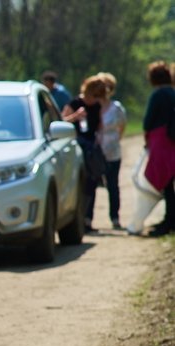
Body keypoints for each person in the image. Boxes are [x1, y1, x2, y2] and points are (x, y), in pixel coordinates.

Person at [62, 75, 108, 232]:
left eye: (98, 97)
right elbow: (61, 122)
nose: (95, 99)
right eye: (94, 96)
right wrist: (76, 117)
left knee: (92, 183)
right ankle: (76, 219)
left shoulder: (97, 106)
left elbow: (100, 126)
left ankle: (88, 219)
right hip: (76, 148)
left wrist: (99, 141)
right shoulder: (75, 103)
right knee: (78, 183)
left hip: (91, 149)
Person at [141, 61, 175, 237]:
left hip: (162, 141)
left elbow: (148, 120)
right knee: (170, 182)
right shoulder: (173, 93)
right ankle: (170, 219)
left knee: (166, 182)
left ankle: (169, 221)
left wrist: (146, 136)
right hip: (171, 142)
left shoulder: (157, 95)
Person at [96, 72, 127, 229]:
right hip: (95, 153)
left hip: (113, 151)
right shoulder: (90, 107)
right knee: (90, 185)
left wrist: (115, 140)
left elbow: (122, 126)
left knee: (113, 184)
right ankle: (87, 218)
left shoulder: (116, 108)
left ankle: (115, 217)